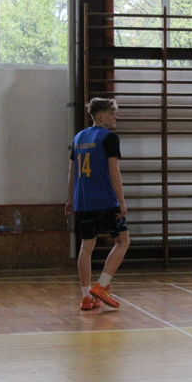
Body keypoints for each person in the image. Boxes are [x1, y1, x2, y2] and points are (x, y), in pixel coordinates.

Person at [65, 98, 130, 311]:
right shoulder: (109, 137)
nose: (116, 117)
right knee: (123, 242)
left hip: (83, 201)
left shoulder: (78, 138)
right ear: (101, 116)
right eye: (112, 113)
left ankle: (86, 297)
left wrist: (71, 199)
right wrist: (121, 201)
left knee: (86, 247)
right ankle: (101, 285)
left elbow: (72, 171)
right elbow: (114, 171)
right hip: (105, 199)